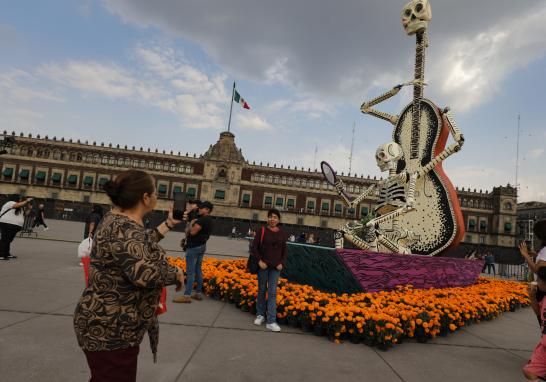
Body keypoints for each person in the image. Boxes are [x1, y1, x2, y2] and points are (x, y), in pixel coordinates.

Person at [73, 170, 185, 382]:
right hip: (110, 329)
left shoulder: (117, 219)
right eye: (155, 192)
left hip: (107, 323)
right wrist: (176, 272)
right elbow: (144, 272)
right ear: (145, 197)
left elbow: (137, 245)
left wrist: (168, 224)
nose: (157, 196)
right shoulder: (124, 227)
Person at [251, 208, 287, 332]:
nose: (272, 219)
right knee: (261, 290)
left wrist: (281, 263)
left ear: (278, 220)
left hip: (275, 268)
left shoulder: (282, 233)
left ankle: (271, 320)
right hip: (264, 266)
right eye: (271, 216)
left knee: (272, 293)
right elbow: (254, 248)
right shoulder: (261, 231)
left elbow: (284, 250)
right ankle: (260, 315)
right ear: (268, 218)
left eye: (275, 217)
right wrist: (260, 261)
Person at [173, 201, 214, 303]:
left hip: (194, 247)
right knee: (198, 270)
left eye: (202, 208)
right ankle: (198, 293)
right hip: (202, 246)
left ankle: (186, 296)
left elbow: (192, 232)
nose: (199, 209)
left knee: (190, 272)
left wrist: (191, 223)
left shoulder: (202, 220)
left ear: (207, 210)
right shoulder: (209, 220)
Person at [523, 265, 546, 381]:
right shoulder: (544, 298)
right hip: (544, 346)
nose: (537, 282)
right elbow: (538, 312)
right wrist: (532, 296)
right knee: (529, 371)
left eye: (539, 279)